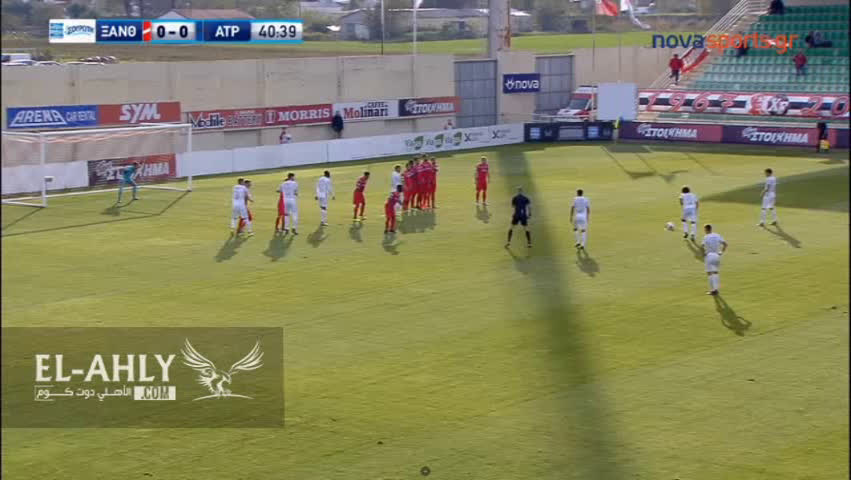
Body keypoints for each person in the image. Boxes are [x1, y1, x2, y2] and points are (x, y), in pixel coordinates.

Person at [701, 224, 728, 296]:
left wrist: (703, 253)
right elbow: (725, 244)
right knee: (716, 272)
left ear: (706, 229)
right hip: (717, 255)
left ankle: (713, 290)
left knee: (709, 273)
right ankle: (716, 289)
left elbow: (702, 246)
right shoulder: (717, 235)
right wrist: (721, 252)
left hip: (709, 255)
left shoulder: (706, 237)